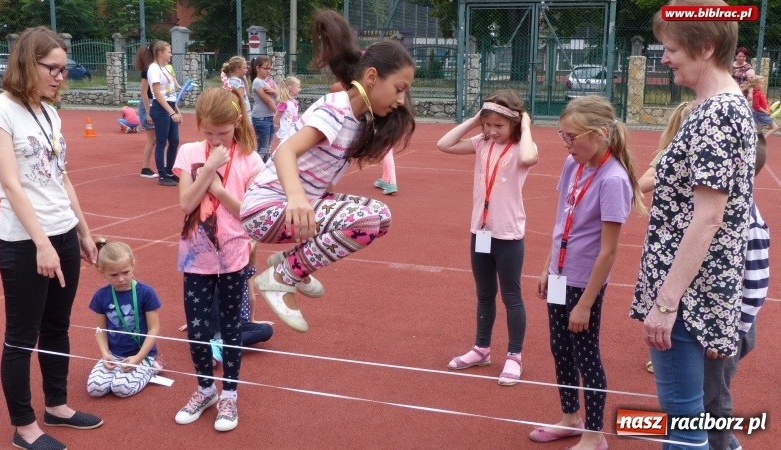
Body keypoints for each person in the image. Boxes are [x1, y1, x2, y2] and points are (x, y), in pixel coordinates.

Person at [240, 8, 416, 333]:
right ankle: (282, 278)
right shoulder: (336, 111)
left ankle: (290, 264)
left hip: (290, 207)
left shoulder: (357, 119)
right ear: (373, 77)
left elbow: (322, 173)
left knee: (381, 215)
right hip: (266, 209)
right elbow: (285, 152)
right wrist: (296, 198)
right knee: (364, 221)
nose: (402, 100)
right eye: (399, 88)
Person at [631, 2, 757, 449]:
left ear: (704, 47)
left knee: (684, 419)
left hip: (687, 294)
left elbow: (709, 217)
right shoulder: (717, 107)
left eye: (670, 49)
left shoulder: (715, 114)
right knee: (687, 416)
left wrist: (666, 302)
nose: (663, 58)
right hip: (695, 290)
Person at [0, 26, 103, 450]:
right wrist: (42, 243)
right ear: (26, 63)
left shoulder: (49, 111)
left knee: (57, 325)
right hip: (24, 243)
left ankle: (58, 406)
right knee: (20, 334)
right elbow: (12, 186)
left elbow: (60, 177)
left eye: (64, 70)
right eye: (53, 68)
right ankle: (24, 427)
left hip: (63, 232)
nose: (60, 78)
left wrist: (83, 231)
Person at [531, 95, 644, 450]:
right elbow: (562, 220)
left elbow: (609, 250)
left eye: (571, 136)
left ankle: (594, 435)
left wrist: (585, 303)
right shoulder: (572, 165)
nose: (566, 144)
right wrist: (548, 266)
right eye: (562, 135)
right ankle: (570, 418)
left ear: (597, 134)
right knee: (559, 348)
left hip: (584, 285)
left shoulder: (613, 180)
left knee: (586, 355)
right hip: (560, 276)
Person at [172, 87, 262, 432]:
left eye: (222, 132)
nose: (215, 138)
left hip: (234, 255)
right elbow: (186, 203)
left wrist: (221, 191)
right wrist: (209, 166)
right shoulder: (190, 152)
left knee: (230, 327)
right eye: (208, 132)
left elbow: (250, 214)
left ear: (237, 122)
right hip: (196, 255)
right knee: (197, 328)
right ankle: (205, 389)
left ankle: (230, 395)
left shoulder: (251, 158)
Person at [436, 90, 538, 386]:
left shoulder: (523, 147)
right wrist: (474, 120)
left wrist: (527, 125)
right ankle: (481, 349)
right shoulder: (481, 143)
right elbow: (444, 144)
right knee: (483, 294)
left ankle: (514, 356)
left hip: (508, 235)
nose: (492, 131)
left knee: (511, 296)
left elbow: (530, 158)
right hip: (479, 232)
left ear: (515, 125)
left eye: (500, 126)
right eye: (488, 125)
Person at [703, 134, 768, 450]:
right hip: (717, 322)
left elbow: (756, 285)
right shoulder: (720, 207)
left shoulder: (748, 220)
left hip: (730, 327)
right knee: (706, 388)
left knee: (714, 394)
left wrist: (729, 332)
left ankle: (719, 444)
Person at [637, 100, 692, 375]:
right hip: (666, 237)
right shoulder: (667, 155)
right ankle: (663, 351)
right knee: (663, 294)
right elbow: (643, 183)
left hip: (685, 236)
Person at [87, 239, 164, 398]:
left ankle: (153, 365)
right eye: (114, 275)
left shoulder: (146, 292)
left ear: (133, 265)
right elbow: (100, 330)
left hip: (142, 353)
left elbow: (153, 328)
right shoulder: (101, 295)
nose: (121, 279)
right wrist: (104, 353)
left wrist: (139, 357)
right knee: (95, 389)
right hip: (115, 354)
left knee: (121, 389)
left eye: (126, 272)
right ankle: (121, 370)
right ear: (102, 272)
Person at [148, 40, 182, 186]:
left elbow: (172, 94)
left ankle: (169, 170)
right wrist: (171, 112)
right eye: (168, 52)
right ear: (160, 52)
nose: (171, 54)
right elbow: (157, 93)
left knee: (174, 141)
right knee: (162, 141)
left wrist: (177, 111)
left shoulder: (167, 68)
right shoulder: (153, 69)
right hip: (161, 108)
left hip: (170, 106)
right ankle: (162, 174)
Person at [135, 44, 158, 178]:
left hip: (153, 103)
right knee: (152, 139)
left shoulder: (155, 69)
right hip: (147, 104)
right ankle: (145, 168)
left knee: (156, 139)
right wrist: (148, 112)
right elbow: (144, 92)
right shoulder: (147, 70)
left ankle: (149, 167)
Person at [250, 55, 278, 161]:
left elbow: (279, 94)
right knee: (263, 146)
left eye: (269, 68)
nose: (268, 71)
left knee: (268, 146)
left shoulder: (268, 80)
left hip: (269, 117)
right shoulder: (258, 82)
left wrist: (274, 91)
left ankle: (265, 166)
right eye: (265, 68)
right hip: (261, 118)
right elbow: (267, 100)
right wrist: (279, 113)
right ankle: (259, 167)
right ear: (258, 68)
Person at [221, 56, 252, 121]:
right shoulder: (239, 82)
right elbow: (240, 101)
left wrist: (245, 80)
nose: (246, 70)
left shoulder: (228, 80)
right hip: (242, 116)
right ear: (237, 69)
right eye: (245, 68)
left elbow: (246, 94)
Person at [273, 76, 301, 143]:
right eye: (298, 87)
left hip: (292, 131)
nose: (300, 89)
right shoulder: (284, 103)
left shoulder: (293, 102)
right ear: (291, 88)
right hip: (285, 133)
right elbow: (276, 117)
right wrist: (277, 127)